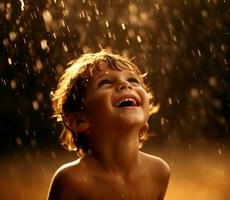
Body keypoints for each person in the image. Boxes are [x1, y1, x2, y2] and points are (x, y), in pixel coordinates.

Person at [48, 50, 170, 200]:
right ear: (80, 120)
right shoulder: (72, 181)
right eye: (105, 82)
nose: (125, 84)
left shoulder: (158, 172)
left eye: (133, 80)